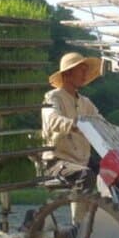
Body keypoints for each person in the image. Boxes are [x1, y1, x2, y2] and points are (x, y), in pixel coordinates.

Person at [42, 52, 104, 197]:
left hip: (82, 160)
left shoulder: (85, 102)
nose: (85, 74)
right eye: (81, 70)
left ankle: (112, 213)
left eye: (85, 71)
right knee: (85, 175)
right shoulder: (53, 97)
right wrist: (76, 125)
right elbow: (52, 120)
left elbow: (100, 122)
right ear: (68, 73)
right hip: (57, 161)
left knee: (113, 172)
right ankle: (79, 220)